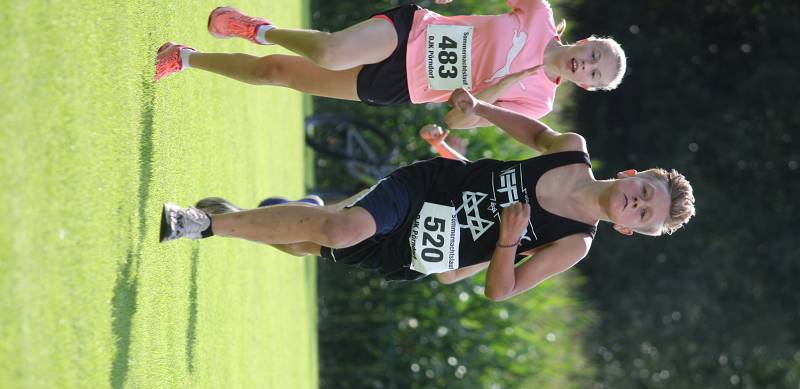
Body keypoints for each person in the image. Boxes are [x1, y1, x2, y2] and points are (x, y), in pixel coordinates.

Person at [159, 88, 695, 301]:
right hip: (426, 189)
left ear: (629, 230)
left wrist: (509, 240)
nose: (637, 203)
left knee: (308, 241)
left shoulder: (575, 243)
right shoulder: (571, 150)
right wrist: (480, 109)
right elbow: (533, 132)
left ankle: (245, 217)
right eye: (644, 192)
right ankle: (201, 224)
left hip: (424, 250)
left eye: (644, 215)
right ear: (632, 173)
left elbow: (501, 290)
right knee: (342, 229)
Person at [154, 1, 626, 128]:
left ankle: (184, 57)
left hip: (405, 85)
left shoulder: (538, 103)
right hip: (414, 32)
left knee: (276, 74)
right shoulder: (539, 14)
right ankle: (260, 31)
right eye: (594, 55)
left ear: (587, 86)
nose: (587, 64)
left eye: (594, 73)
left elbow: (458, 119)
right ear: (586, 42)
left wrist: (507, 82)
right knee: (330, 51)